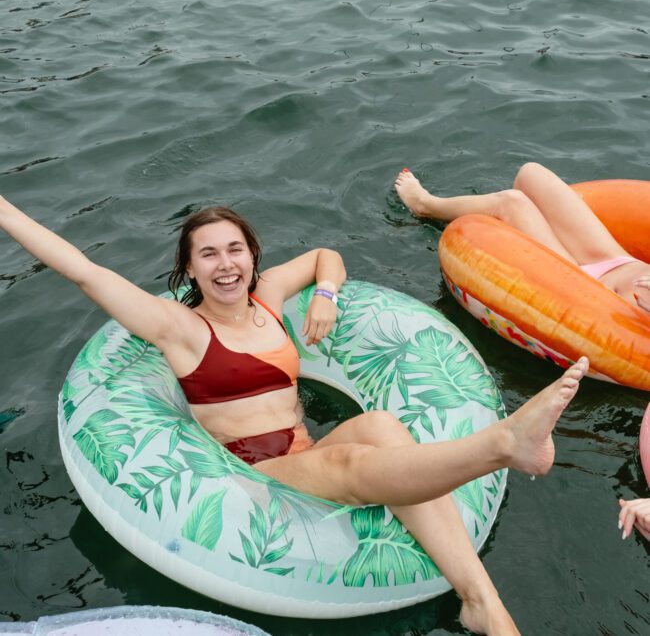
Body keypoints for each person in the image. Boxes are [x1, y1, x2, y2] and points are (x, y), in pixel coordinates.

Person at [0, 193, 590, 636]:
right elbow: (81, 269)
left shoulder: (268, 298)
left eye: (235, 248)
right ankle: (501, 445)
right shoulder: (178, 328)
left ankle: (480, 603)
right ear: (189, 269)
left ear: (252, 254)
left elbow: (325, 257)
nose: (225, 263)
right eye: (208, 254)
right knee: (357, 460)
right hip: (249, 474)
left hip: (301, 452)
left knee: (383, 427)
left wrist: (328, 296)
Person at [394, 162, 650, 312]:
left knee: (510, 203)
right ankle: (520, 244)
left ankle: (425, 205)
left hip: (587, 290)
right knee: (531, 173)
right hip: (615, 260)